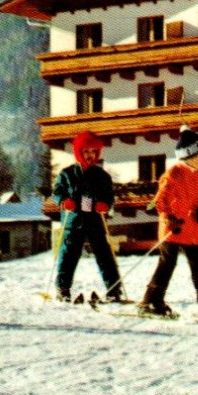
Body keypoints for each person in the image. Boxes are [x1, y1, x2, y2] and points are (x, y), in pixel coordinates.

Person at [142, 126, 198, 318]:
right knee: (167, 263)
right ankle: (151, 301)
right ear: (192, 155)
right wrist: (169, 219)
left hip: (192, 230)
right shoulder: (173, 174)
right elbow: (160, 201)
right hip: (174, 229)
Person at [53, 129, 125, 303]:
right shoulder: (67, 174)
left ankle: (114, 289)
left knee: (104, 254)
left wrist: (105, 205)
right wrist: (64, 201)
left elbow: (109, 196)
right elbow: (57, 192)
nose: (90, 155)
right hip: (73, 220)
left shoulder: (102, 176)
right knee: (69, 254)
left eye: (94, 152)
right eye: (86, 151)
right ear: (78, 152)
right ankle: (63, 288)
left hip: (94, 220)